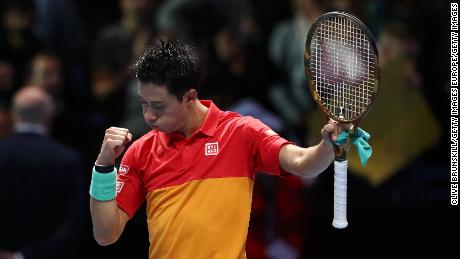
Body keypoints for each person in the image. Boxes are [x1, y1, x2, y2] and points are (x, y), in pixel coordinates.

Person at [89, 36, 339, 259]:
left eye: (158, 106)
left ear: (189, 97)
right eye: (143, 104)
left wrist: (327, 145)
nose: (148, 116)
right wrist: (102, 168)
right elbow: (105, 234)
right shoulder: (140, 152)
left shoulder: (241, 132)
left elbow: (304, 164)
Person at [0, 86, 87, 259]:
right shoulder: (68, 160)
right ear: (49, 116)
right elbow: (75, 223)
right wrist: (22, 256)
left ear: (13, 115)